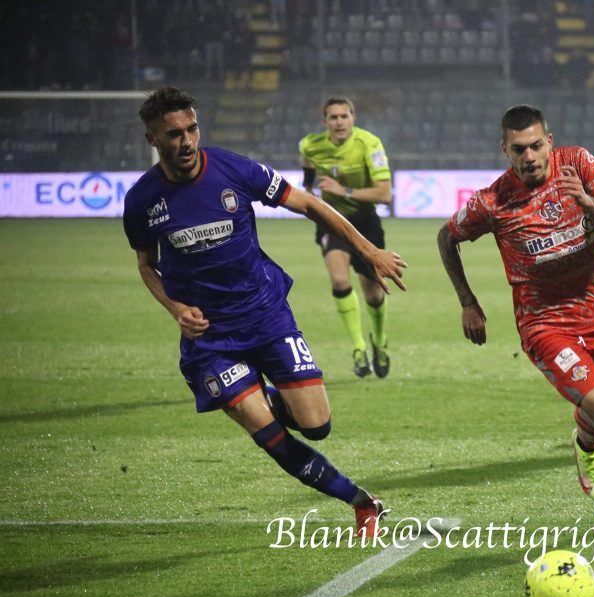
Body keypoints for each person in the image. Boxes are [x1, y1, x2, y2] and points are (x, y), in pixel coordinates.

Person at [123, 86, 406, 537]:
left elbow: (310, 203)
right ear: (152, 139)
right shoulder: (142, 201)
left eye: (192, 128)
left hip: (266, 315)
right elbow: (146, 264)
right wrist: (175, 307)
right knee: (270, 436)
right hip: (210, 340)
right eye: (174, 134)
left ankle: (261, 395)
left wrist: (369, 250)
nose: (187, 141)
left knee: (316, 427)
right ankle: (360, 501)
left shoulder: (234, 169)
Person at [437, 105, 594, 534]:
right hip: (544, 324)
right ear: (505, 150)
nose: (530, 156)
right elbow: (447, 237)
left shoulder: (578, 164)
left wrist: (586, 201)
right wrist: (468, 301)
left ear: (549, 142)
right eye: (519, 149)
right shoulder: (493, 201)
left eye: (537, 145)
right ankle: (585, 442)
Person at [299, 97, 394, 378]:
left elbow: (385, 194)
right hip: (332, 221)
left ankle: (379, 341)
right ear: (324, 122)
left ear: (353, 118)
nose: (339, 122)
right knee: (339, 280)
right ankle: (358, 348)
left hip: (366, 222)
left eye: (344, 116)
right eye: (333, 117)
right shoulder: (310, 144)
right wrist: (309, 189)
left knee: (374, 294)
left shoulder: (369, 144)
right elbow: (307, 164)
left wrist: (343, 191)